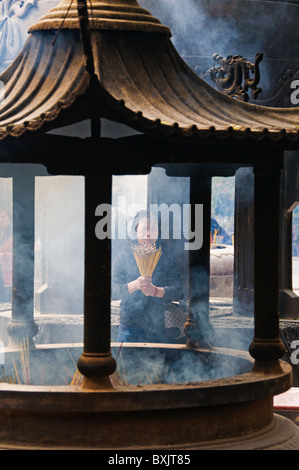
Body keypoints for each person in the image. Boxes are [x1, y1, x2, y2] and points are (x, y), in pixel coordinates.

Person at [111, 210, 185, 343]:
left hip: (158, 327)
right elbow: (113, 291)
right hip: (129, 326)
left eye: (154, 229)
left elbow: (178, 290)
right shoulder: (123, 258)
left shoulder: (166, 257)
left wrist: (156, 291)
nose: (149, 233)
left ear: (158, 232)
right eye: (144, 228)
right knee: (125, 364)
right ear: (135, 230)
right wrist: (134, 285)